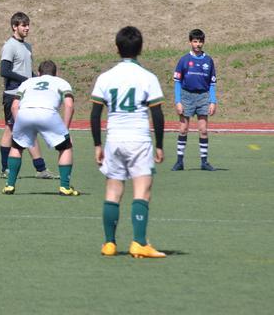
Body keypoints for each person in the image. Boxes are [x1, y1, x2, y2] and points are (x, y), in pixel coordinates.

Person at [90, 26, 166, 258]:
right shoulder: (148, 77)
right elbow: (157, 114)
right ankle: (139, 242)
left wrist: (97, 144)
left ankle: (109, 244)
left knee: (113, 191)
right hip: (139, 139)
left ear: (117, 48)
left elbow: (95, 114)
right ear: (141, 48)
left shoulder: (106, 77)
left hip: (114, 139)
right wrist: (160, 145)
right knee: (142, 190)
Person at [1, 60, 79, 196]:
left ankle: (9, 185)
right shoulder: (61, 82)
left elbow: (14, 106)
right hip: (48, 113)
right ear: (55, 73)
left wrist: (20, 126)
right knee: (65, 147)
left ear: (38, 73)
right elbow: (69, 105)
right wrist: (65, 129)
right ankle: (65, 187)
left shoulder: (28, 82)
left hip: (25, 113)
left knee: (17, 147)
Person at [0, 11, 57, 180]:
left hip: (25, 95)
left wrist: (36, 80)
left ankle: (39, 169)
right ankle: (10, 168)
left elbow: (26, 71)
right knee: (13, 130)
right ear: (14, 27)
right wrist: (27, 81)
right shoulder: (9, 46)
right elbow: (4, 71)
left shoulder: (27, 47)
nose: (27, 28)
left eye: (28, 25)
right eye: (23, 25)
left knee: (23, 129)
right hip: (13, 95)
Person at [171, 29, 217, 171]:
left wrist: (213, 101)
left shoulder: (208, 60)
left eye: (200, 41)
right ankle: (179, 162)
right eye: (195, 41)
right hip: (186, 96)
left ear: (203, 42)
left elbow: (212, 83)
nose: (198, 44)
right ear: (190, 42)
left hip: (203, 96)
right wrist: (178, 101)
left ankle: (204, 162)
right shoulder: (184, 60)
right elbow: (177, 82)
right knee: (183, 129)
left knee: (203, 130)